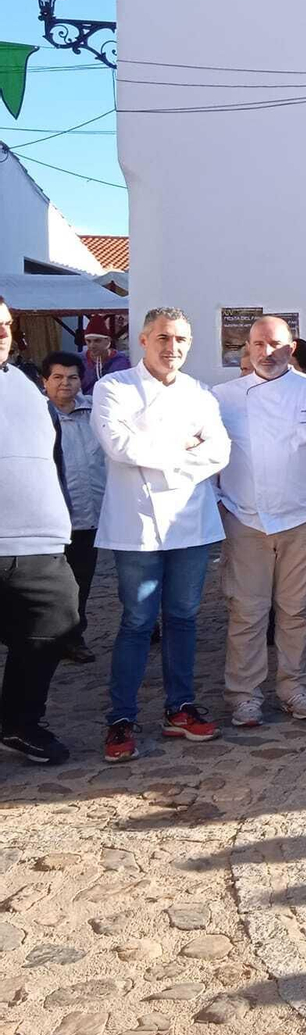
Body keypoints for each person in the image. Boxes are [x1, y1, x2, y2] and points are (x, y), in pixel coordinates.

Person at [94, 307, 233, 762]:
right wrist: (183, 446)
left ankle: (180, 706)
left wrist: (160, 449)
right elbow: (119, 445)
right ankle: (122, 717)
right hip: (137, 525)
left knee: (184, 618)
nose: (172, 348)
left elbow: (219, 452)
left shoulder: (200, 393)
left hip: (190, 523)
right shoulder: (114, 388)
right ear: (143, 340)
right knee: (136, 622)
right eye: (163, 339)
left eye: (181, 341)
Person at [212, 316, 306, 727]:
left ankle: (294, 687)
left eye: (276, 344)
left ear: (292, 346)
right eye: (258, 345)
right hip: (246, 520)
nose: (267, 353)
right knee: (246, 611)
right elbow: (209, 457)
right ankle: (244, 695)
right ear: (247, 348)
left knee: (297, 610)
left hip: (303, 520)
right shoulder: (223, 397)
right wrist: (219, 504)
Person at [0, 298, 80, 765]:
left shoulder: (28, 386)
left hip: (40, 544)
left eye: (7, 325)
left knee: (54, 628)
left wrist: (62, 520)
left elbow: (53, 461)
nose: (3, 333)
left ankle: (19, 723)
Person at [42, 351, 105, 664]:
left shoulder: (96, 411)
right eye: (57, 377)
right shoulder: (36, 416)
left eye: (72, 377)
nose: (65, 383)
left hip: (89, 517)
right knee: (50, 586)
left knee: (81, 582)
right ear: (45, 381)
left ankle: (73, 637)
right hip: (49, 517)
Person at [79, 315, 130, 396]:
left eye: (97, 341)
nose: (92, 345)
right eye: (88, 341)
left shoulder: (121, 361)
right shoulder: (79, 360)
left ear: (108, 340)